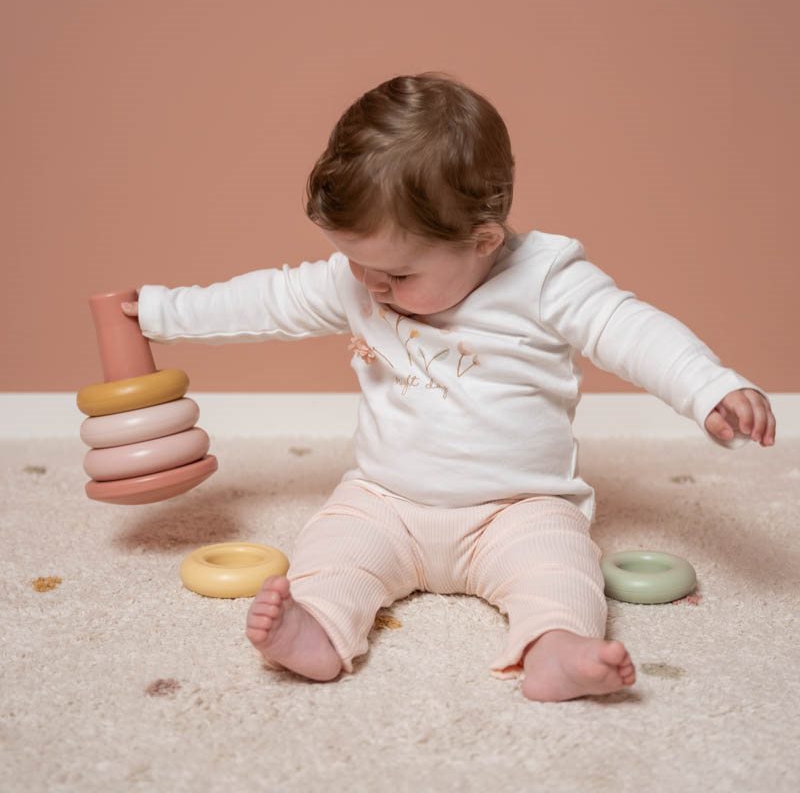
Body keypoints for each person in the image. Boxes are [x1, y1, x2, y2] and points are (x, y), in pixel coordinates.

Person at [122, 72, 776, 701]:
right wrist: (158, 311)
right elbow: (262, 300)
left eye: (399, 275)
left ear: (482, 240)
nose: (373, 287)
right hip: (386, 500)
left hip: (514, 508)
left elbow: (633, 331)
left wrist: (708, 387)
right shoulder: (363, 277)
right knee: (331, 552)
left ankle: (555, 652)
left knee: (559, 569)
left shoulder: (545, 280)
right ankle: (315, 630)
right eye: (358, 263)